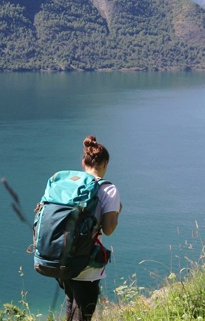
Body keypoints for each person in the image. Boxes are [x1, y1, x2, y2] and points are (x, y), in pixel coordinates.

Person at [57, 135, 122, 321]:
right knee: (83, 315)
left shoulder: (70, 185)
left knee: (70, 307)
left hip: (62, 257)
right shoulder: (108, 189)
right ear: (105, 163)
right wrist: (117, 212)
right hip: (86, 265)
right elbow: (108, 229)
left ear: (83, 162)